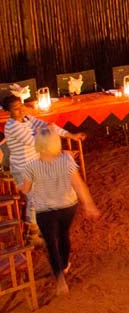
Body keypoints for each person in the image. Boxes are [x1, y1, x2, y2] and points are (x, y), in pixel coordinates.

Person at [19, 127, 99, 295]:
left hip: (45, 210)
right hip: (67, 206)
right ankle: (64, 265)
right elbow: (78, 184)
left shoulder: (31, 166)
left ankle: (60, 279)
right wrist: (89, 204)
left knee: (51, 243)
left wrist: (21, 185)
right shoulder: (67, 160)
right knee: (63, 235)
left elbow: (25, 189)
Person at [1, 95, 86, 240]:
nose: (20, 109)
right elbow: (37, 141)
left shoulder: (27, 118)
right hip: (23, 168)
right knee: (35, 197)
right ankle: (32, 232)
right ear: (8, 112)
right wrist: (53, 141)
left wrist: (70, 135)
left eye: (20, 105)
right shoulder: (12, 127)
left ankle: (38, 225)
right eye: (15, 109)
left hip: (35, 162)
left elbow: (49, 127)